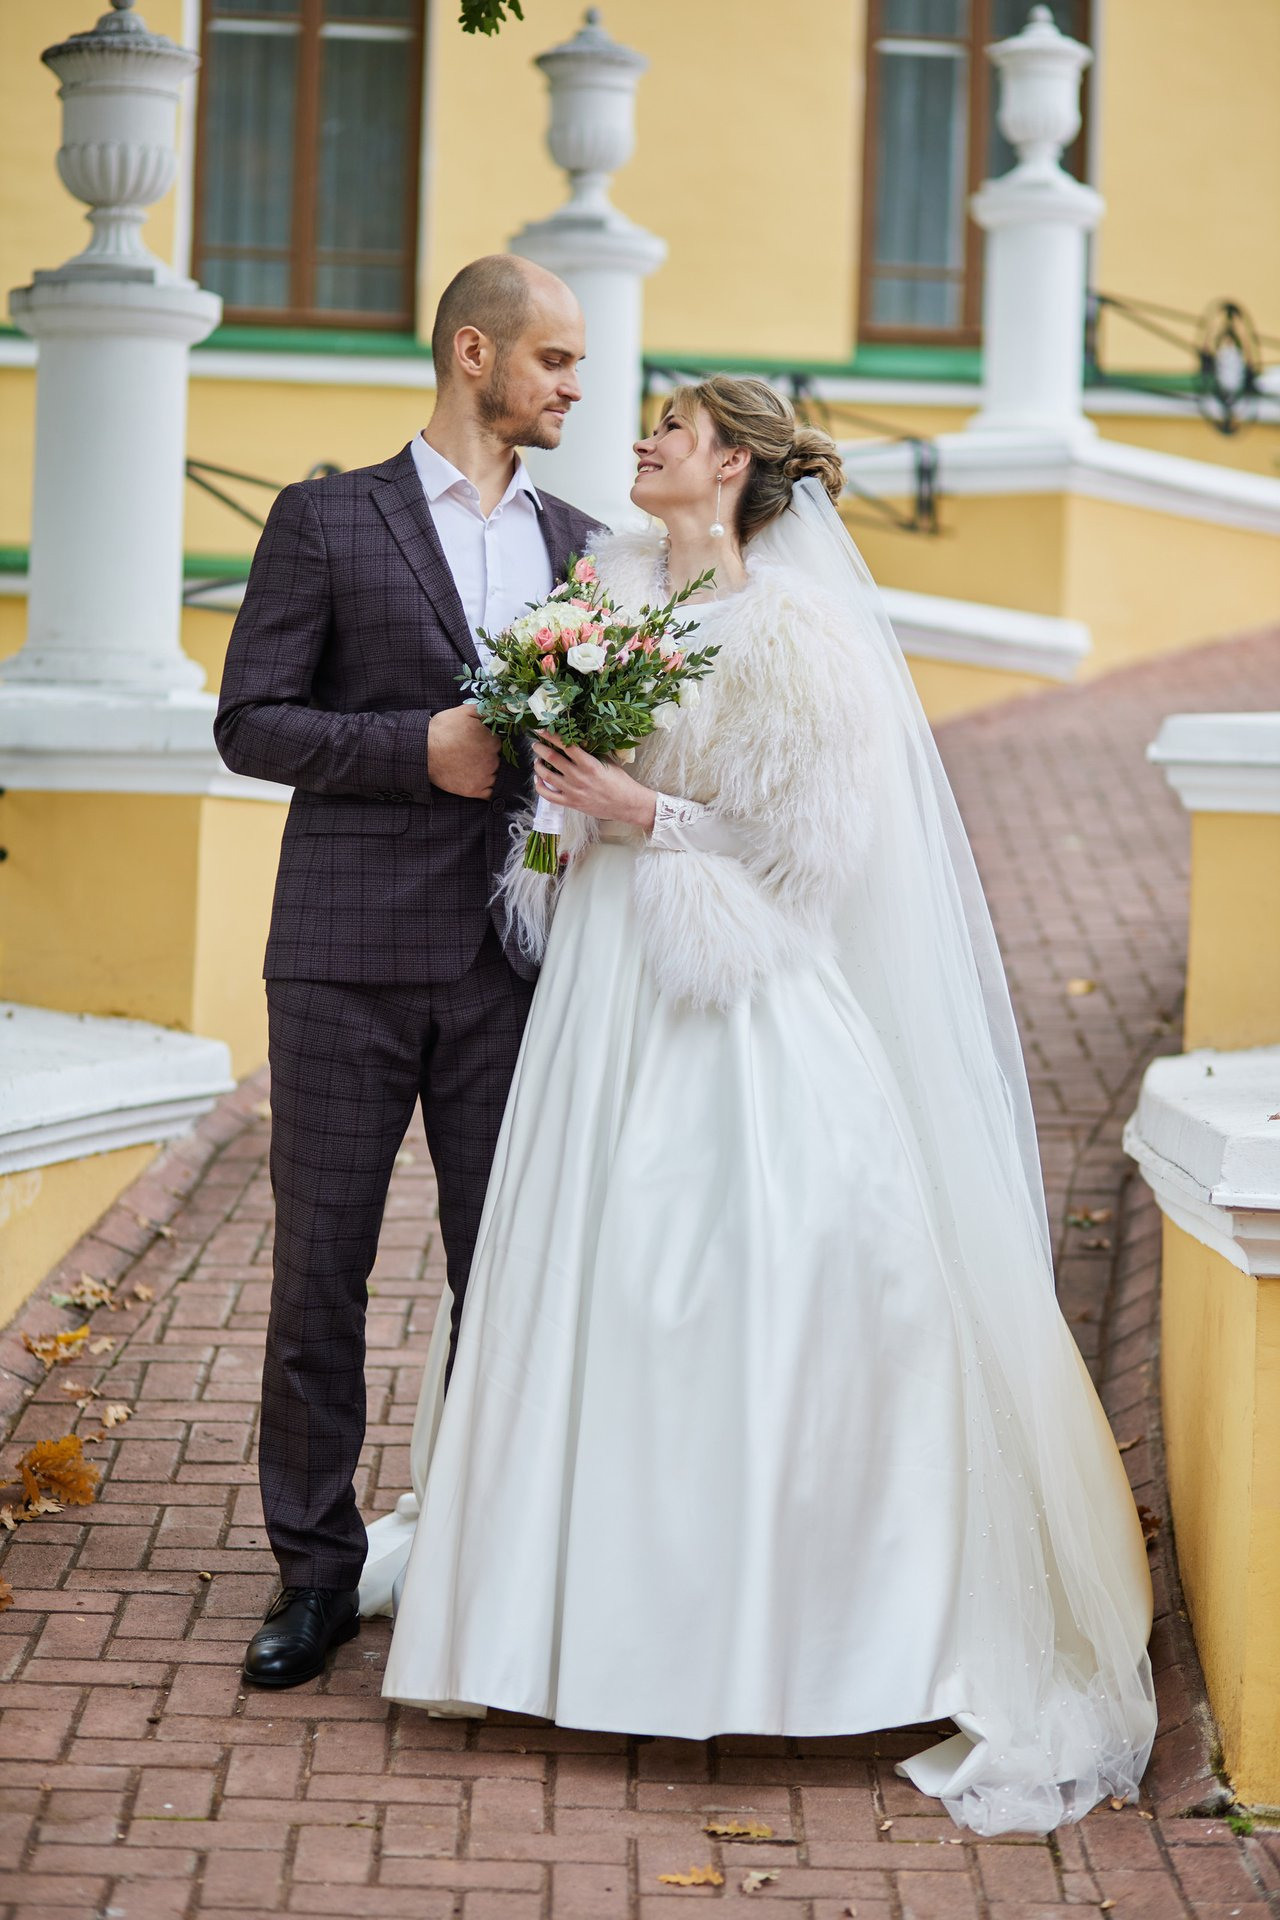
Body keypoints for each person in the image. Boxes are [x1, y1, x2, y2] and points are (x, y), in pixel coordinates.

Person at [361, 375, 1158, 1836]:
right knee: (576, 1276)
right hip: (600, 980)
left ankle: (784, 1644)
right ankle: (538, 1626)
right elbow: (565, 789)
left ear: (730, 464)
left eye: (672, 428)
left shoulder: (794, 634)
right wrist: (565, 795)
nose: (646, 442)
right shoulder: (603, 589)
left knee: (741, 1281)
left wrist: (642, 814)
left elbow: (813, 855)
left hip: (729, 994)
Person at [212, 254, 602, 1690]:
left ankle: (494, 1569)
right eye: (554, 361)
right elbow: (251, 723)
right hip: (340, 964)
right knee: (323, 1271)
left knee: (507, 1274)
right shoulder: (325, 519)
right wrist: (415, 752)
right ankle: (313, 1575)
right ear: (473, 352)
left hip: (516, 969)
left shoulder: (586, 544)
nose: (573, 386)